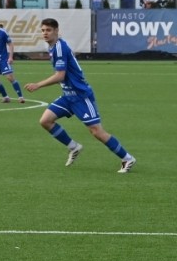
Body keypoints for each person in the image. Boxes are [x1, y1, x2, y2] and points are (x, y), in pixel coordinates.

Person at [24, 18, 136, 173]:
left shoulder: (60, 48)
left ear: (56, 31)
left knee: (96, 131)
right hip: (68, 96)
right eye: (43, 30)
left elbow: (60, 76)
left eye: (48, 30)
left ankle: (127, 158)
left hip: (81, 96)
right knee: (45, 121)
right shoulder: (53, 47)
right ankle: (73, 147)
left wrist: (38, 85)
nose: (45, 33)